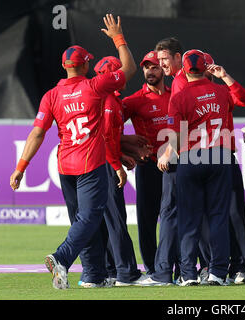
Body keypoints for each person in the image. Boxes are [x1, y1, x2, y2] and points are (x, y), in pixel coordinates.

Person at [9, 14, 139, 289]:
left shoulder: (51, 95)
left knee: (84, 220)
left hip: (64, 165)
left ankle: (92, 275)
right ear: (87, 64)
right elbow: (129, 69)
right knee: (91, 218)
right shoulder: (95, 86)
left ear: (64, 66)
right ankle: (61, 257)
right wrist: (118, 37)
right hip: (90, 163)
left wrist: (21, 167)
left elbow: (37, 133)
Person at [76, 55, 147, 287]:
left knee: (106, 219)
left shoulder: (110, 99)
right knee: (115, 219)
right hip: (103, 164)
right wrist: (117, 165)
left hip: (100, 161)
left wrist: (124, 148)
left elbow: (112, 137)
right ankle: (126, 273)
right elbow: (104, 138)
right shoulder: (106, 101)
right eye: (120, 72)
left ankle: (109, 270)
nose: (125, 76)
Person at [167, 49, 234, 286]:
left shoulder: (179, 97)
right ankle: (217, 272)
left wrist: (174, 155)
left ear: (184, 70)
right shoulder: (222, 92)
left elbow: (174, 135)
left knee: (189, 218)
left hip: (191, 156)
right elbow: (240, 101)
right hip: (220, 155)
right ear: (205, 68)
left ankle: (188, 274)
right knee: (218, 216)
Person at [197, 52, 245, 285]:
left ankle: (239, 266)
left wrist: (225, 77)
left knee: (232, 212)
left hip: (220, 156)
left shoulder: (221, 94)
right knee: (203, 214)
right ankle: (210, 265)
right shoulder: (188, 92)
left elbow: (244, 100)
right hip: (198, 157)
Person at [121, 51, 172, 277]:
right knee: (147, 219)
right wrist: (129, 149)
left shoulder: (176, 95)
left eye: (154, 67)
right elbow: (107, 130)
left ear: (163, 69)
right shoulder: (133, 101)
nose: (149, 71)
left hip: (174, 165)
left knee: (175, 217)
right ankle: (152, 268)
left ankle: (178, 265)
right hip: (148, 166)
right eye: (146, 67)